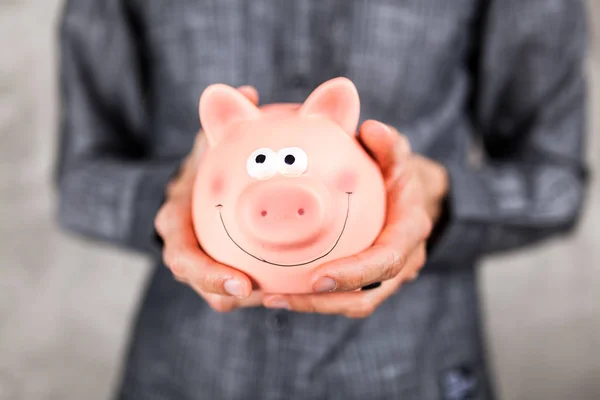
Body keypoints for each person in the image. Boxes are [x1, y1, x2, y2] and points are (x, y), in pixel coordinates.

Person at [55, 1, 589, 399]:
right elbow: (81, 180)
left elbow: (554, 185)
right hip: (187, 371)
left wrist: (436, 201)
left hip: (414, 369)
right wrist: (173, 199)